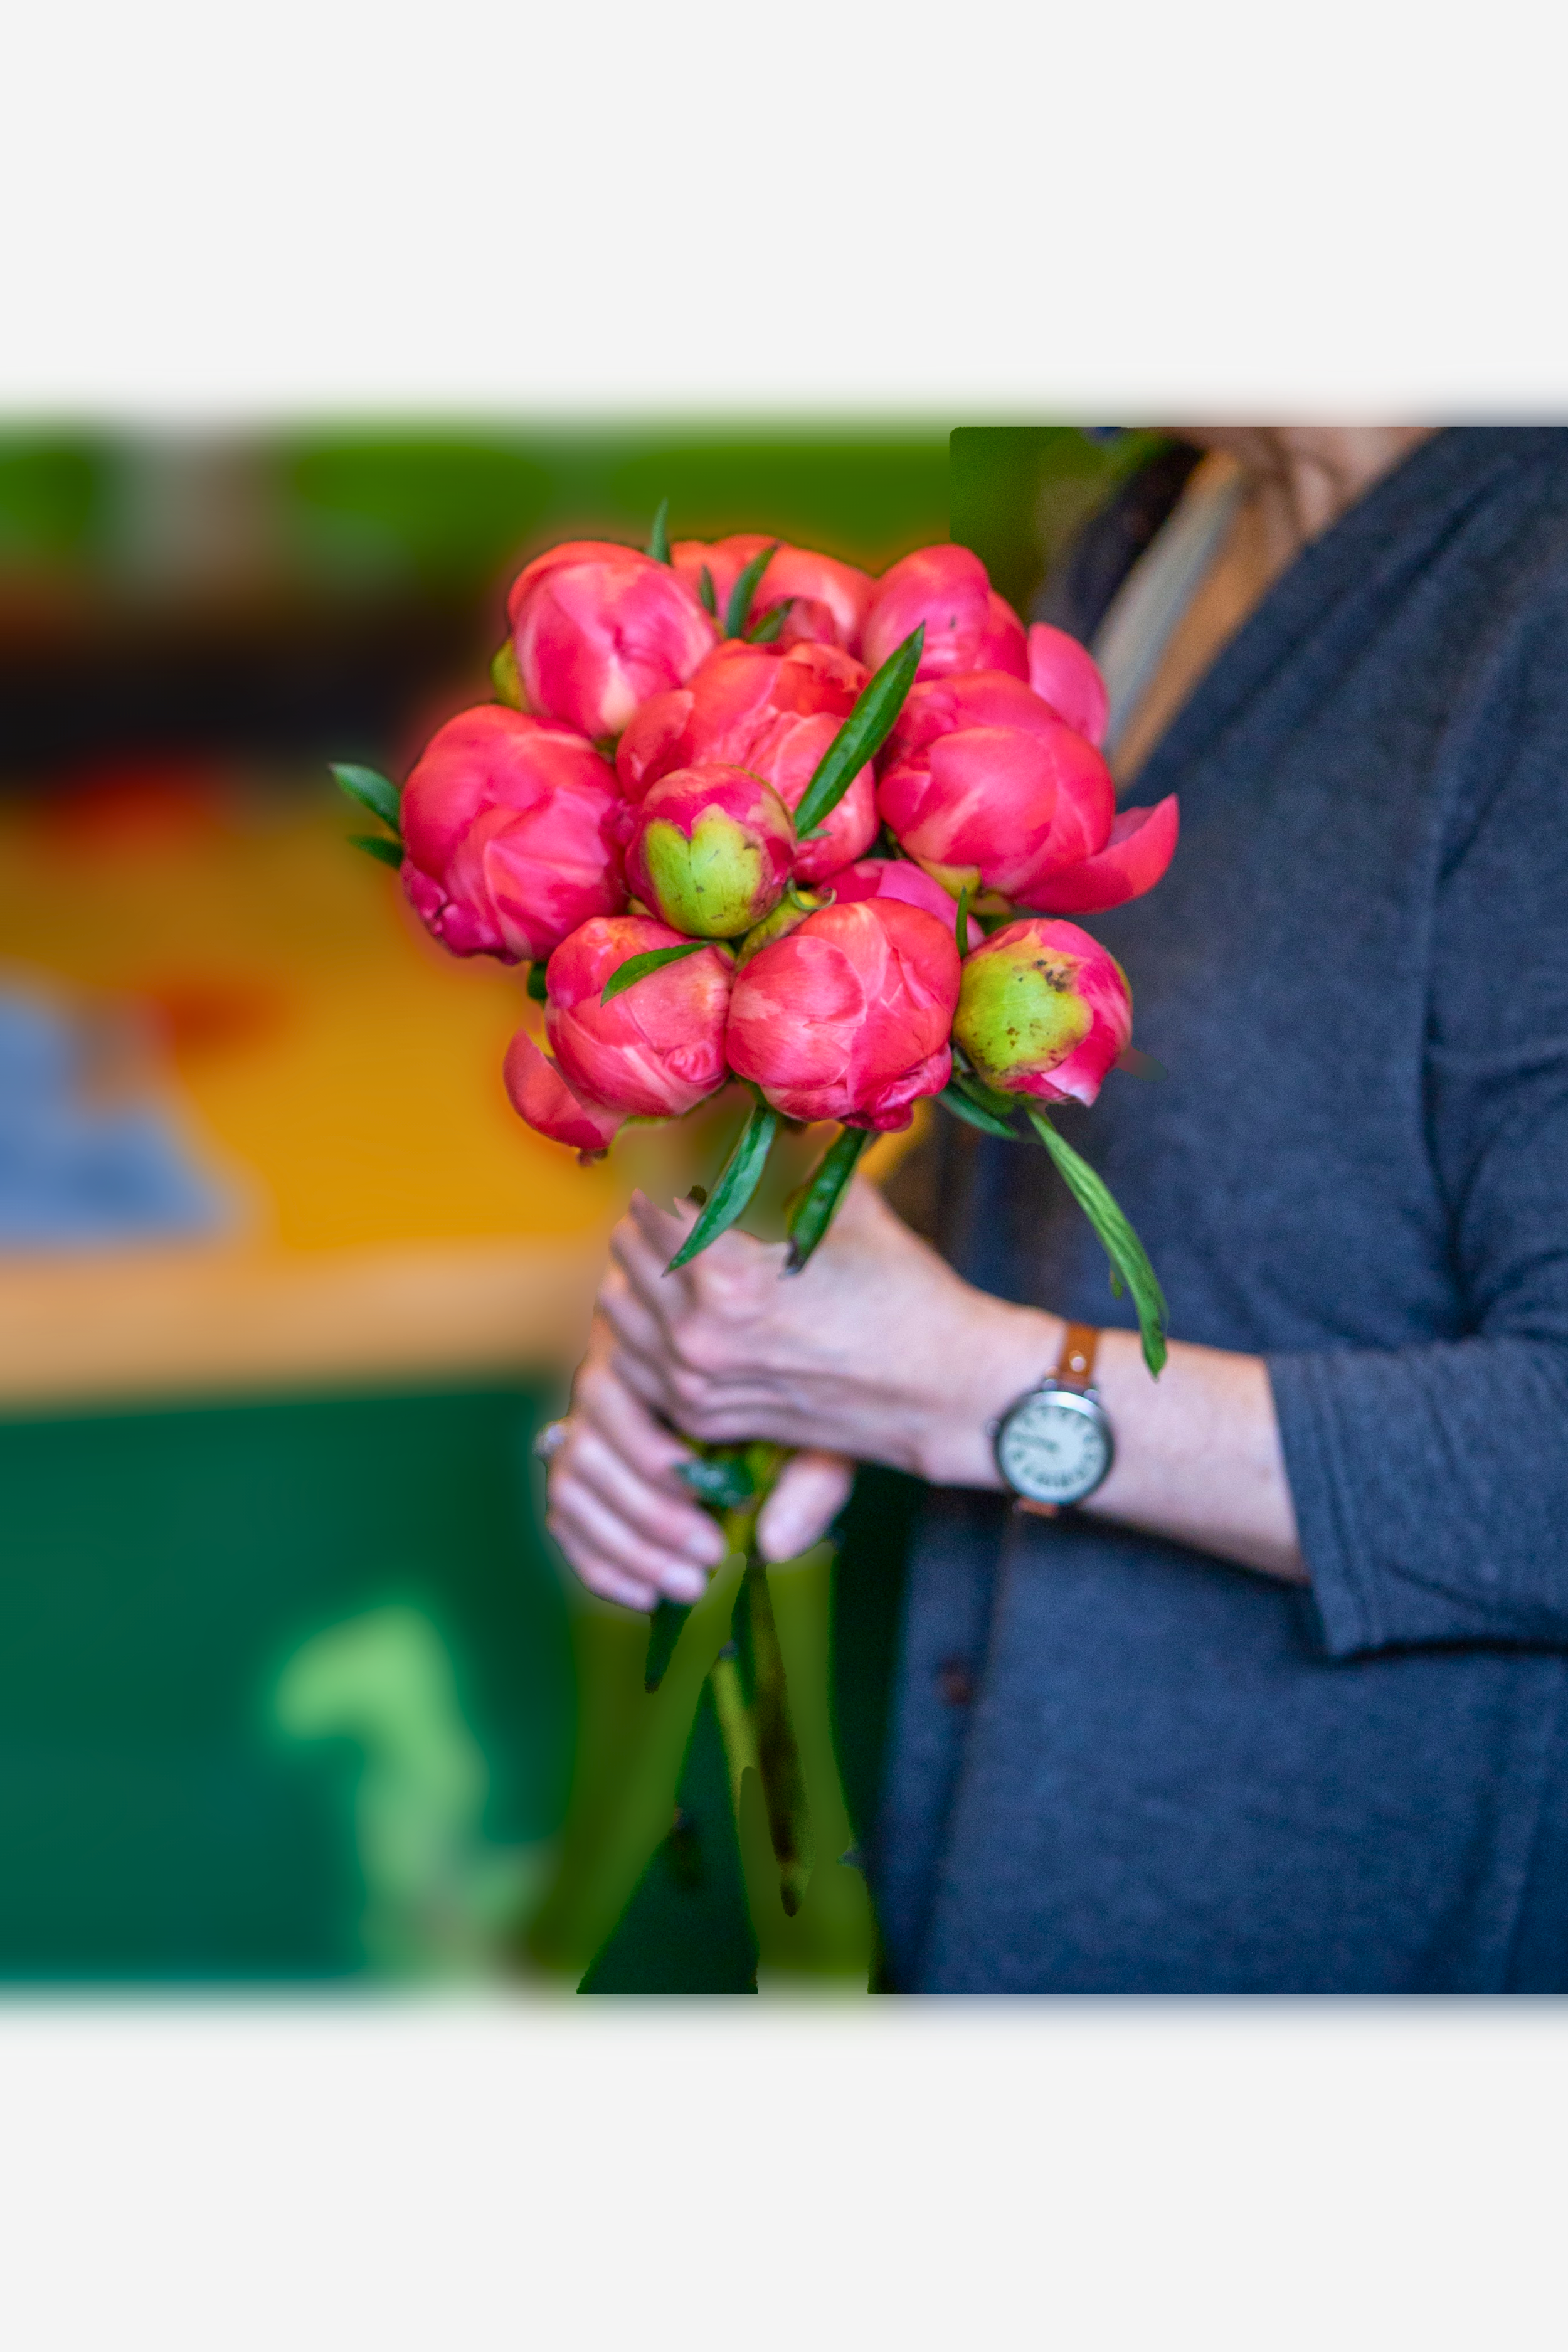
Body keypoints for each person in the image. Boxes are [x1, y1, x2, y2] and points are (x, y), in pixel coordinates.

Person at [544, 428, 1568, 1993]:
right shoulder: (1156, 524)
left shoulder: (1530, 614)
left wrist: (969, 1393)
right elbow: (1074, 1146)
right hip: (1021, 1863)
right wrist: (769, 1334)